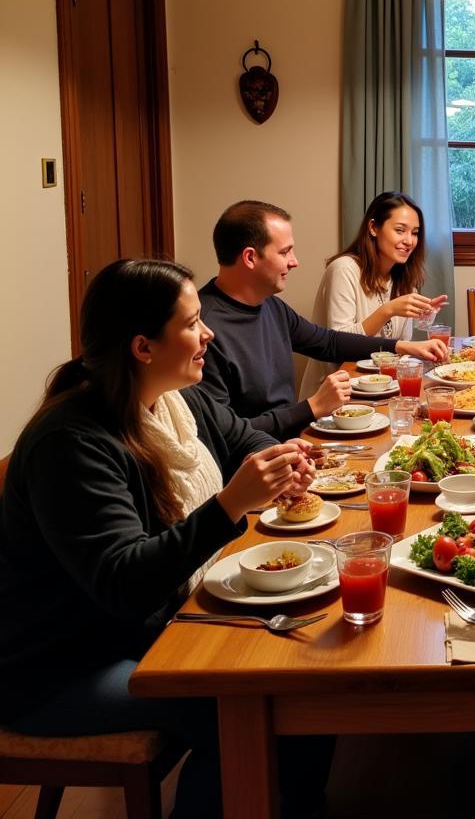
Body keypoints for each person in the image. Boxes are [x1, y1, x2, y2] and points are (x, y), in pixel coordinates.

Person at [0, 259, 331, 818]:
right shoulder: (73, 441)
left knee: (307, 682)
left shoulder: (178, 400)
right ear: (142, 347)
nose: (209, 335)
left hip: (154, 626)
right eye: (193, 323)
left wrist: (283, 460)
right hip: (62, 666)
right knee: (243, 712)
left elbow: (243, 439)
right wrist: (232, 503)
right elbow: (124, 583)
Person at [199, 200, 447, 439]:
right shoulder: (204, 331)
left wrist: (402, 347)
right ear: (250, 257)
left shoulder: (271, 306)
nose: (295, 261)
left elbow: (329, 342)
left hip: (291, 440)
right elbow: (221, 434)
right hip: (255, 461)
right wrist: (312, 407)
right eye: (285, 251)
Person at [299, 191, 448, 401]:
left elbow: (400, 348)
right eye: (399, 230)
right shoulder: (344, 269)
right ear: (373, 228)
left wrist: (423, 315)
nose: (409, 241)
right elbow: (338, 345)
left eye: (415, 233)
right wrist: (388, 311)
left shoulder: (403, 278)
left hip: (381, 390)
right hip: (336, 395)